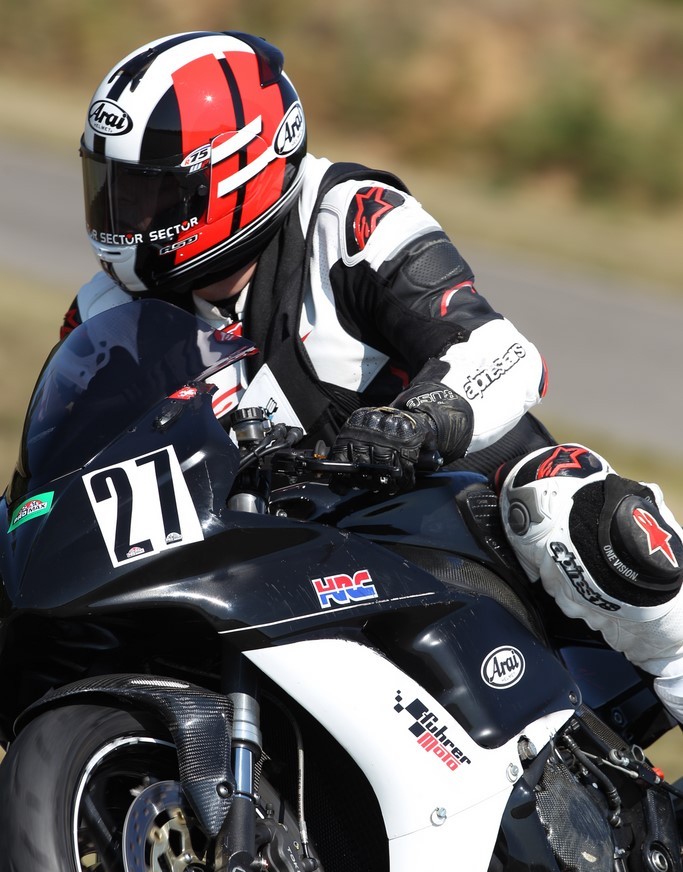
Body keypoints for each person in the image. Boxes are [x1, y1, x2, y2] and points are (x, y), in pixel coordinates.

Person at [61, 30, 683, 722]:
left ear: (238, 174)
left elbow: (502, 352)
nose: (124, 219)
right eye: (112, 189)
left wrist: (420, 420)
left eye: (150, 194)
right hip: (264, 561)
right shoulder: (106, 312)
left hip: (443, 511)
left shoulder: (350, 216)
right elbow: (67, 460)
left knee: (575, 508)